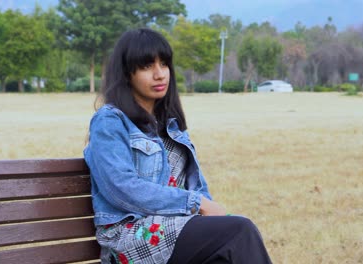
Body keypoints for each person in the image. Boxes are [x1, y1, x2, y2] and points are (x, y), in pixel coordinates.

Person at [84, 28, 272, 264]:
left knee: (230, 243)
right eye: (146, 66)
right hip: (129, 237)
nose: (159, 74)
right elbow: (121, 187)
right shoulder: (110, 121)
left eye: (164, 64)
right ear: (126, 73)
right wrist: (196, 204)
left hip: (173, 227)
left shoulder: (170, 125)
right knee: (239, 231)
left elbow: (196, 185)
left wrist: (207, 210)